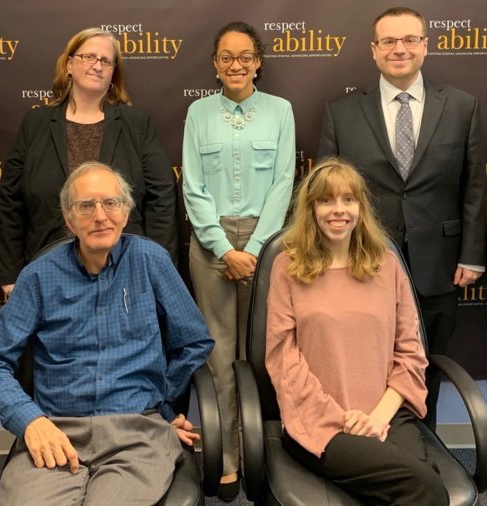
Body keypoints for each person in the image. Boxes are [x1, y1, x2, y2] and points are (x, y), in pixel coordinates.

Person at [0, 162, 213, 504]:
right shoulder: (38, 277)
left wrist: (161, 407)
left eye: (111, 203)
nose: (100, 215)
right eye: (86, 206)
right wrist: (30, 421)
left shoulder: (151, 261)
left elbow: (194, 341)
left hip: (136, 435)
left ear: (126, 212)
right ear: (69, 220)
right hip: (56, 430)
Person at [317, 6, 487, 427]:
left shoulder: (463, 107)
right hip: (363, 258)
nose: (400, 49)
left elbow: (474, 188)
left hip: (441, 263)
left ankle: (424, 444)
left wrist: (472, 254)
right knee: (364, 360)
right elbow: (327, 193)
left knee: (427, 364)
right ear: (374, 50)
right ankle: (371, 441)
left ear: (425, 46)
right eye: (389, 41)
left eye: (410, 39)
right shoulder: (342, 111)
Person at [265, 158, 447, 505]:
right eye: (326, 200)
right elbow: (283, 363)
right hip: (319, 423)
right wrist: (343, 419)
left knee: (422, 486)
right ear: (310, 208)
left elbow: (410, 352)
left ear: (361, 208)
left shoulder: (387, 265)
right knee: (426, 489)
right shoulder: (287, 268)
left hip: (387, 414)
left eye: (348, 200)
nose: (339, 210)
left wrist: (377, 418)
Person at [181, 21, 294, 500]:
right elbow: (193, 187)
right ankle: (225, 457)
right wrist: (223, 248)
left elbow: (284, 183)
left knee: (264, 354)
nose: (235, 65)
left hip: (266, 245)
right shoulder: (199, 112)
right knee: (219, 355)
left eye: (245, 56)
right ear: (214, 63)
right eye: (226, 56)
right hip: (212, 246)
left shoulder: (280, 111)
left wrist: (254, 250)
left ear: (258, 62)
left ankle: (261, 455)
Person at [0, 28, 177, 294]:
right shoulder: (35, 123)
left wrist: (159, 270)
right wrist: (10, 275)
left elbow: (161, 199)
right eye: (88, 57)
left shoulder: (137, 124)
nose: (97, 66)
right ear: (69, 64)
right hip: (49, 268)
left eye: (106, 61)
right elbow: (11, 202)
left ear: (113, 73)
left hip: (125, 270)